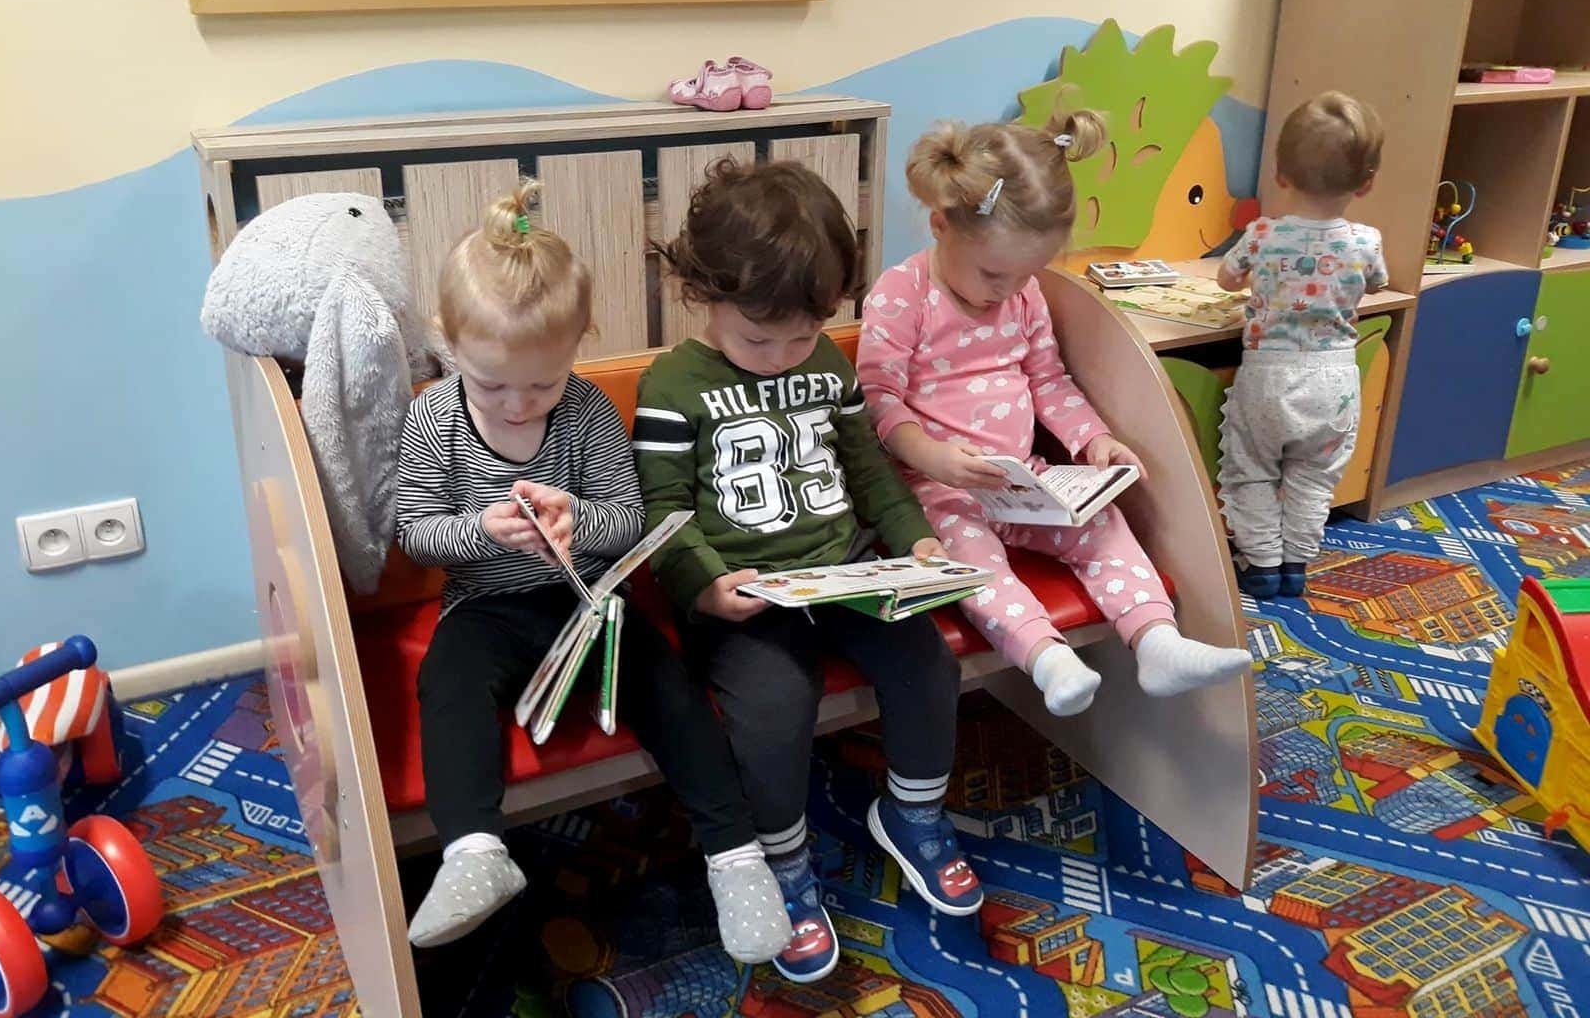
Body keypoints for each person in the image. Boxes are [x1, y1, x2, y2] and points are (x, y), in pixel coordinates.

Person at [395, 182, 790, 962]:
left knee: (670, 687)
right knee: (448, 685)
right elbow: (416, 534)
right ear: (448, 345)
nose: (518, 406)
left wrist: (577, 521)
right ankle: (473, 851)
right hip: (485, 609)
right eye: (491, 384)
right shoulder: (433, 417)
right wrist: (481, 530)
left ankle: (737, 856)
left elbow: (628, 520)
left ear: (578, 344)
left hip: (589, 602)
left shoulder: (584, 412)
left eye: (542, 384)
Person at [634, 159, 982, 985]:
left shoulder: (825, 363)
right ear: (702, 293)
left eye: (802, 335)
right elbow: (663, 510)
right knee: (773, 709)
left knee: (928, 661)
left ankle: (914, 813)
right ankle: (783, 864)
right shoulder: (674, 384)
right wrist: (704, 586)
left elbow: (869, 473)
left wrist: (916, 543)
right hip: (745, 593)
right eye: (760, 339)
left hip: (845, 570)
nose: (783, 356)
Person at [857, 114, 1252, 719]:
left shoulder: (1023, 294)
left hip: (1025, 478)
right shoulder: (902, 292)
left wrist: (1093, 439)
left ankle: (1157, 641)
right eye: (994, 273)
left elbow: (1048, 379)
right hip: (938, 489)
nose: (1007, 289)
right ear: (941, 225)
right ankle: (1047, 658)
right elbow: (878, 399)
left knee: (1103, 524)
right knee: (970, 561)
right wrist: (934, 458)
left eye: (1026, 273)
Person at [1217, 91, 1389, 598]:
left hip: (1269, 377)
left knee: (1251, 471)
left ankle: (1262, 564)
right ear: (1367, 183)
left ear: (1280, 175)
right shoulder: (1366, 241)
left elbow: (1227, 279)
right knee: (1314, 477)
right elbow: (1378, 283)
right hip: (1333, 382)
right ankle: (1296, 565)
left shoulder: (1263, 234)